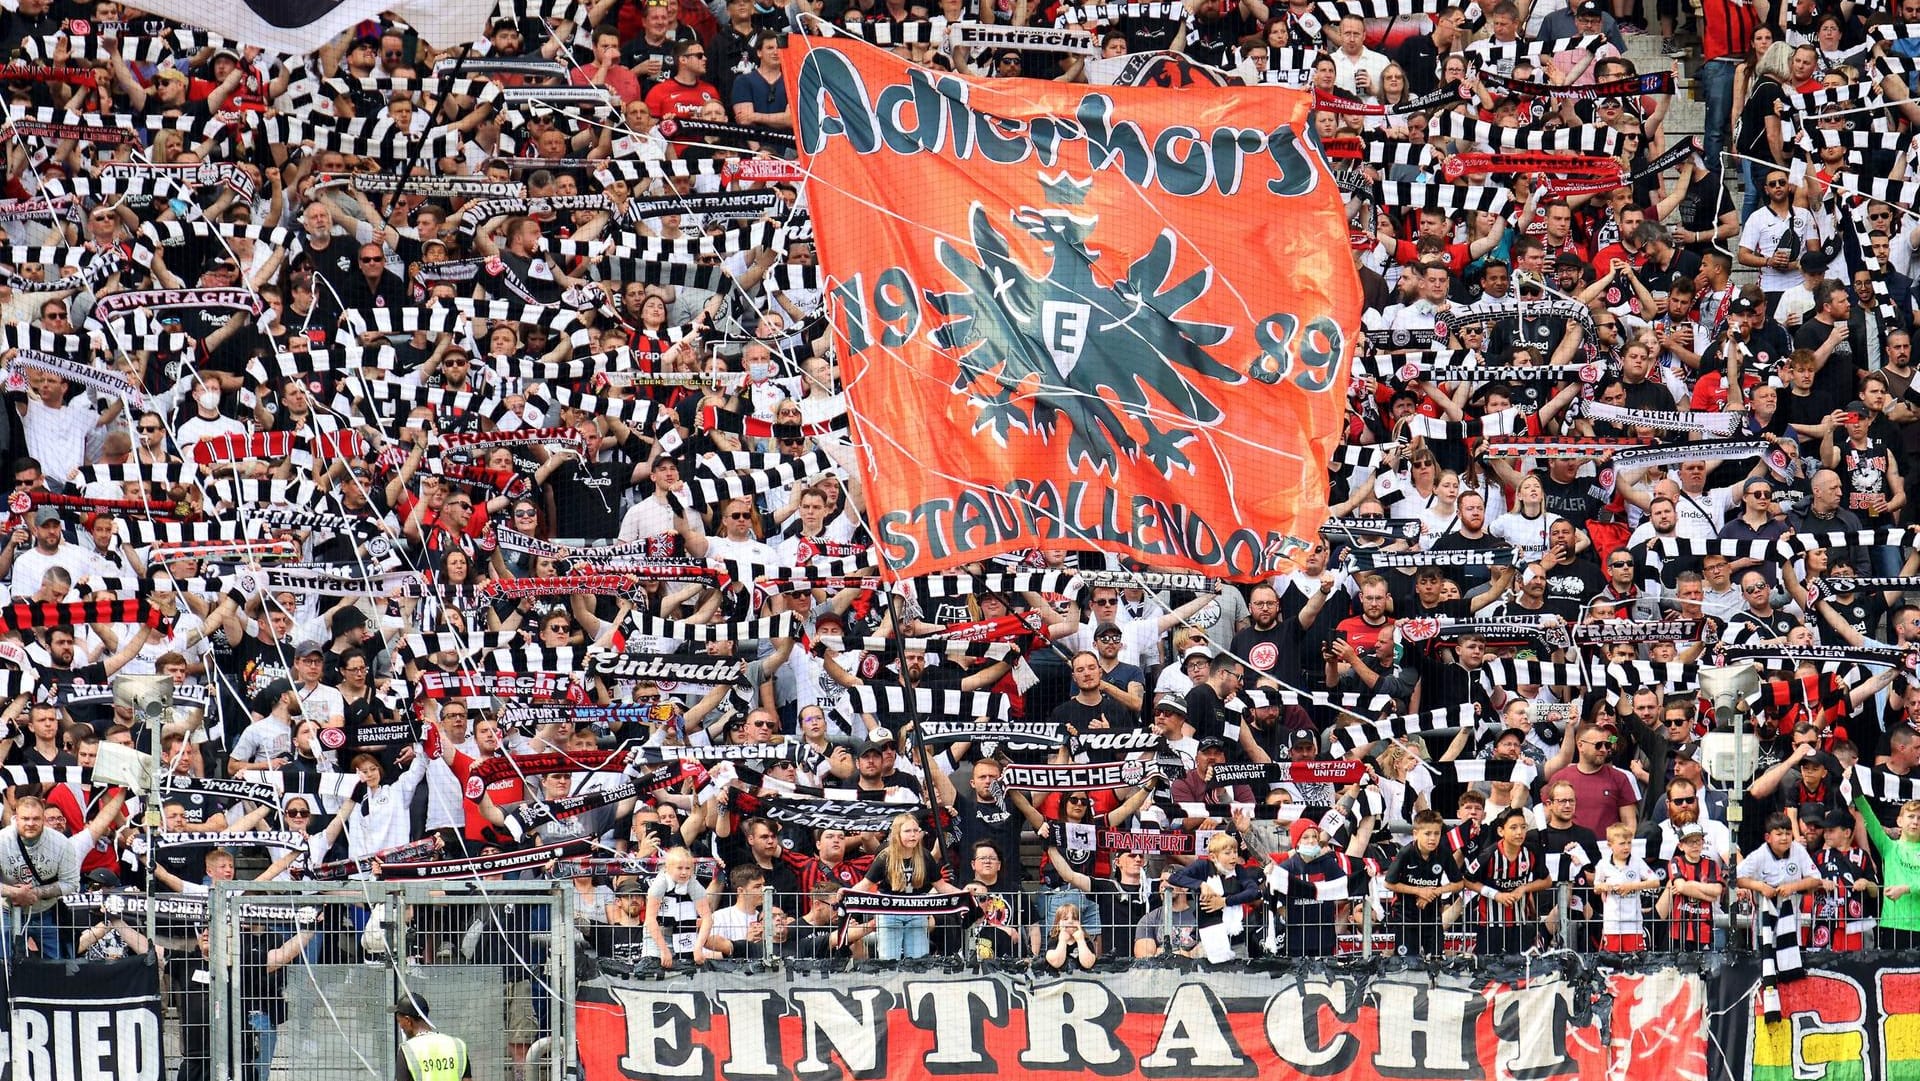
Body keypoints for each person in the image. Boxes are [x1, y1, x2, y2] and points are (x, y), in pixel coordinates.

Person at [393, 993, 472, 1081]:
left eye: (399, 1021)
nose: (400, 1026)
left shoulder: (408, 1051)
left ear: (408, 1020)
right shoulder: (457, 1045)